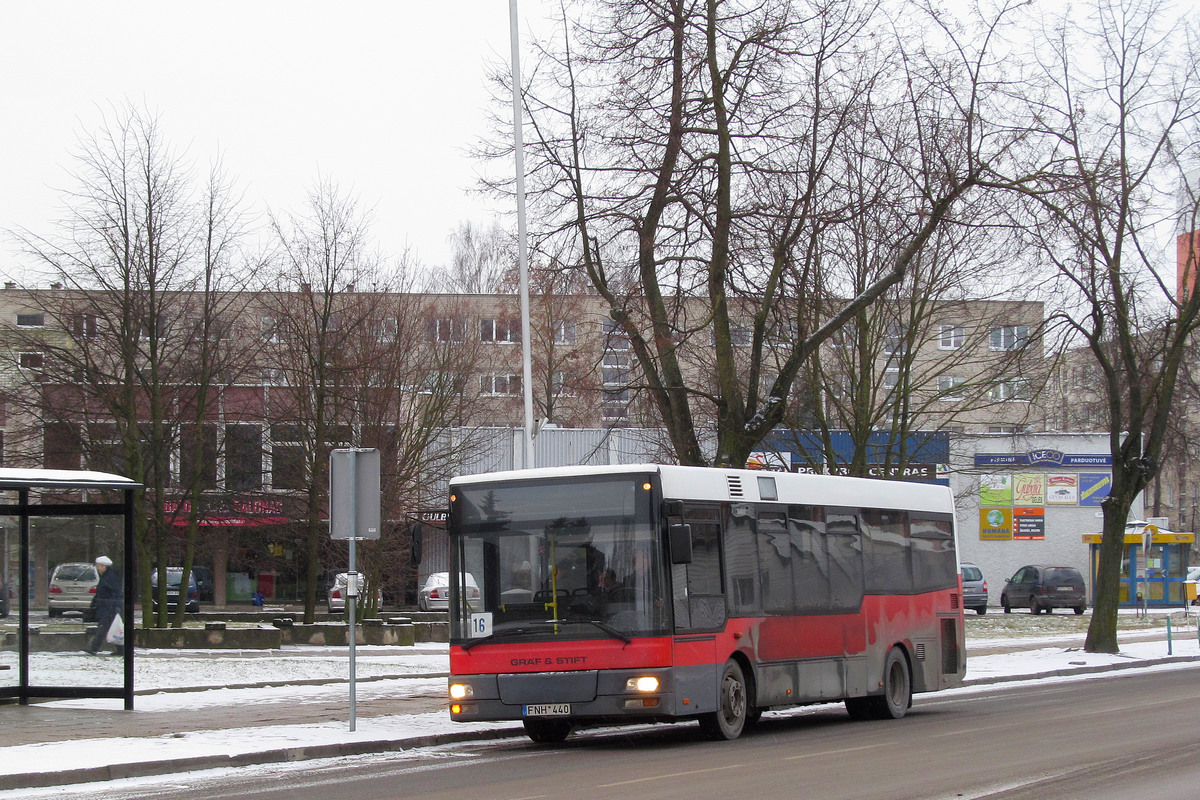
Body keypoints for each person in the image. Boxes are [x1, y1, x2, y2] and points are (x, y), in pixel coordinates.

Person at [85, 555, 122, 655]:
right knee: (112, 628)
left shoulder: (109, 577)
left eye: (98, 565)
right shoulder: (107, 575)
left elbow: (116, 592)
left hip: (109, 607)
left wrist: (115, 606)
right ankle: (121, 650)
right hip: (108, 606)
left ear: (103, 566)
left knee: (102, 628)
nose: (97, 567)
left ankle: (93, 649)